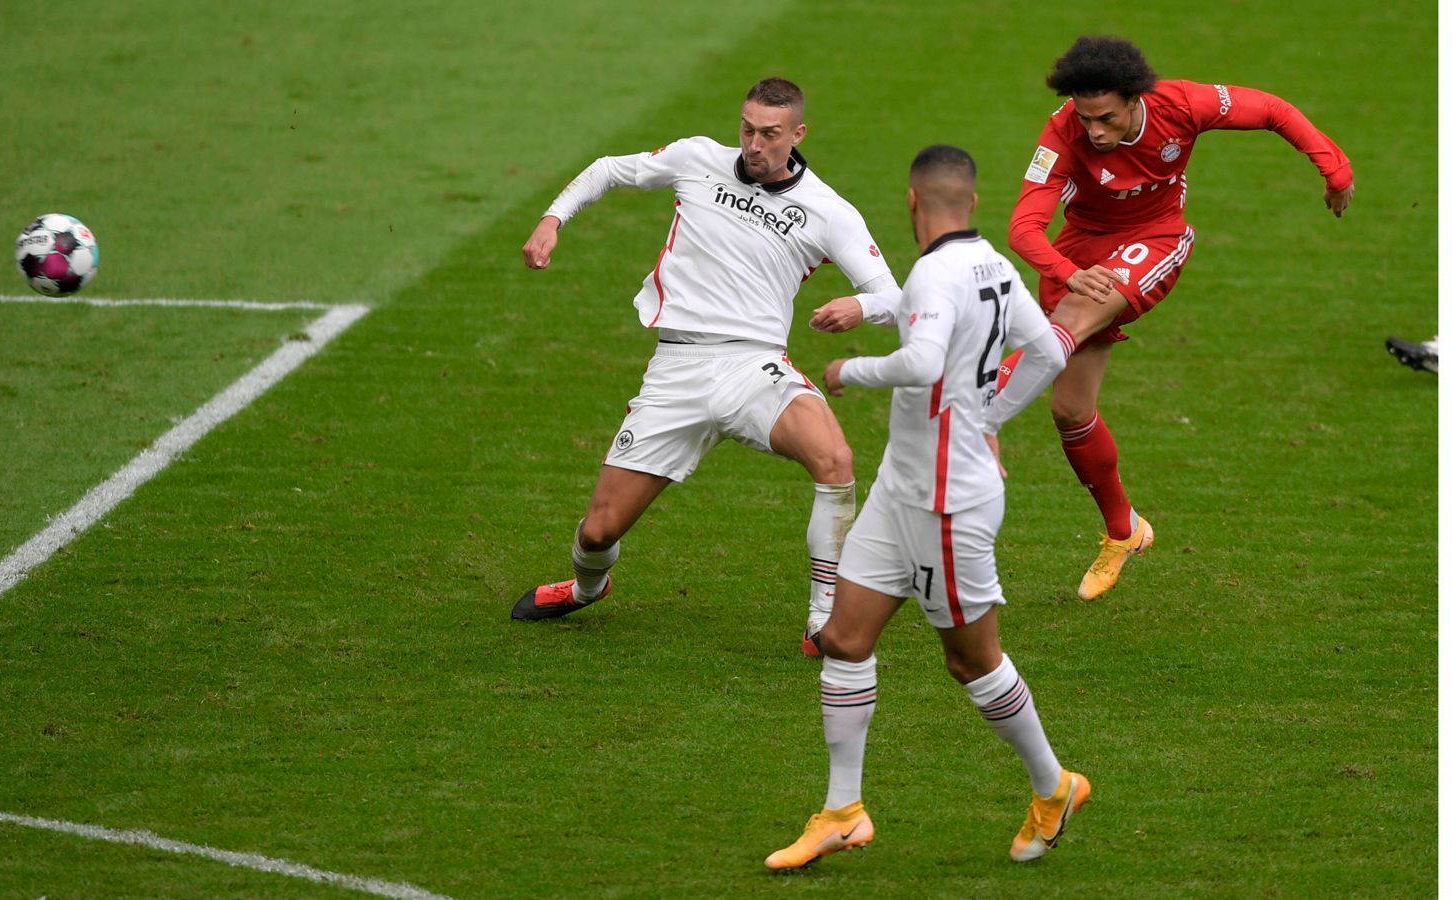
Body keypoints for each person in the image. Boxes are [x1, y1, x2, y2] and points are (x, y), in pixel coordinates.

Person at [766, 145, 1084, 871]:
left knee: (971, 662)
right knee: (846, 639)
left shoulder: (936, 270)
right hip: (900, 489)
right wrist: (991, 418)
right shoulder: (994, 265)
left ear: (912, 202)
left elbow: (924, 361)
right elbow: (1049, 352)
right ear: (971, 202)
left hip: (948, 506)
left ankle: (1053, 784)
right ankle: (844, 811)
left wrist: (852, 369)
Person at [509, 78, 902, 656]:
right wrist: (553, 218)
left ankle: (825, 622)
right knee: (598, 531)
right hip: (677, 370)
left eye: (770, 134)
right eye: (747, 129)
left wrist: (858, 305)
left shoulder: (829, 211)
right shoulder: (698, 159)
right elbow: (607, 169)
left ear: (797, 134)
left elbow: (893, 297)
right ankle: (587, 588)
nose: (753, 144)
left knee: (835, 459)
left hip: (755, 369)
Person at [1002, 35, 1354, 600]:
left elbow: (1273, 110)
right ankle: (1124, 531)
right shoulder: (1064, 131)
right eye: (1085, 116)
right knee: (1070, 410)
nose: (1093, 130)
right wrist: (1068, 271)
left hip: (1153, 238)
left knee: (1069, 322)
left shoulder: (1182, 104)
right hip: (1079, 256)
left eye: (1107, 118)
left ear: (1136, 98)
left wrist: (1334, 170)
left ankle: (974, 397)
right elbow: (1023, 227)